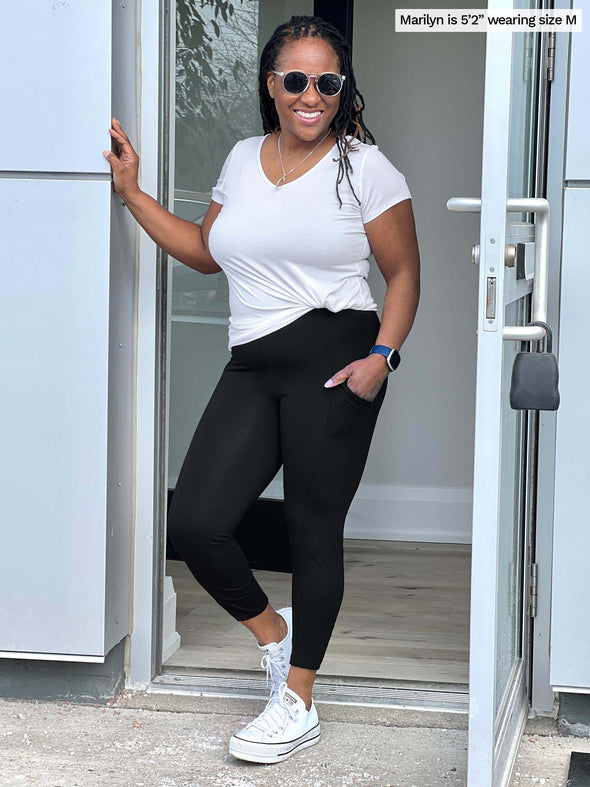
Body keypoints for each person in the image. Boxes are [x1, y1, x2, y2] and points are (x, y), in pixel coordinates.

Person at [103, 14, 420, 766]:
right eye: (297, 80)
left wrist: (383, 356)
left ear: (343, 91)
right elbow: (208, 253)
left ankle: (299, 697)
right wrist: (132, 192)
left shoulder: (366, 167)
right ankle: (274, 638)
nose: (313, 95)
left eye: (328, 82)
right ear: (272, 86)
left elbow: (403, 272)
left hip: (338, 352)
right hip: (253, 359)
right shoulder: (245, 157)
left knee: (314, 524)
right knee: (198, 522)